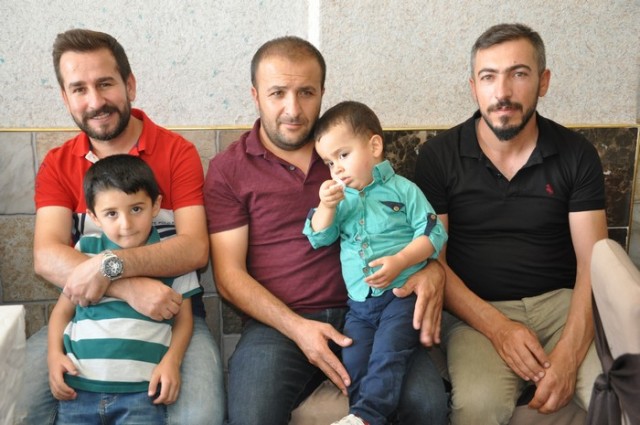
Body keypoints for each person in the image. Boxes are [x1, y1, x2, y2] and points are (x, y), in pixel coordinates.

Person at [204, 36, 448, 425]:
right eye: (277, 93)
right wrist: (297, 328)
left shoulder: (348, 150)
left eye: (306, 92)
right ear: (255, 96)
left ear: (321, 92)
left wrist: (430, 269)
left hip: (374, 308)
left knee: (428, 405)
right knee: (252, 414)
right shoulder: (229, 169)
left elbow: (411, 224)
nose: (293, 109)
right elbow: (229, 278)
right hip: (281, 323)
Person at [17, 28, 224, 425]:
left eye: (105, 84)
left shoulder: (177, 152)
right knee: (15, 402)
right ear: (65, 97)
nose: (95, 102)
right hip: (84, 319)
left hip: (171, 317)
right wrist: (127, 285)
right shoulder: (58, 164)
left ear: (129, 85)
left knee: (201, 416)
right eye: (79, 89)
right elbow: (46, 257)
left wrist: (108, 265)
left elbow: (195, 248)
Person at [414, 23, 607, 425]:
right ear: (474, 87)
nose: (502, 92)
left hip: (562, 304)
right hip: (476, 311)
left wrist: (568, 356)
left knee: (613, 391)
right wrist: (500, 329)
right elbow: (435, 262)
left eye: (518, 74)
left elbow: (594, 264)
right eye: (488, 77)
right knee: (477, 406)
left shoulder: (577, 154)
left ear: (543, 81)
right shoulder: (438, 157)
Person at [303, 101, 448, 425]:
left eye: (343, 155)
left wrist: (401, 260)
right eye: (329, 162)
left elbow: (433, 233)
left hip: (401, 297)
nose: (337, 169)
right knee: (354, 361)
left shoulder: (405, 191)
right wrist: (325, 206)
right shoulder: (341, 201)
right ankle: (361, 416)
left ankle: (366, 417)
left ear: (374, 146)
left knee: (387, 353)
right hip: (359, 305)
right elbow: (319, 237)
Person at [48, 154, 201, 423]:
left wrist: (171, 361)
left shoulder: (171, 257)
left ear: (156, 205)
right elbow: (62, 312)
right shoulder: (86, 251)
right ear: (93, 216)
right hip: (79, 388)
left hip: (142, 392)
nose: (126, 224)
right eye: (111, 214)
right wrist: (53, 355)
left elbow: (184, 320)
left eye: (136, 209)